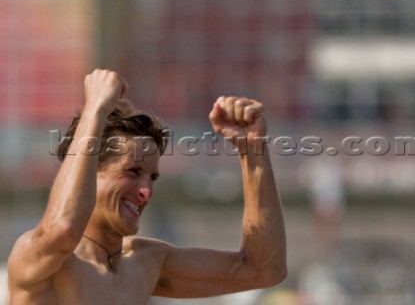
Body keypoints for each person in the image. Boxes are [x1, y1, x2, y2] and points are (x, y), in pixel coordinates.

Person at [7, 69, 287, 304]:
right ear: (87, 173)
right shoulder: (42, 260)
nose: (146, 192)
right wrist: (95, 109)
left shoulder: (144, 262)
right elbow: (62, 230)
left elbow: (263, 269)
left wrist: (252, 150)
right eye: (132, 172)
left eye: (152, 178)